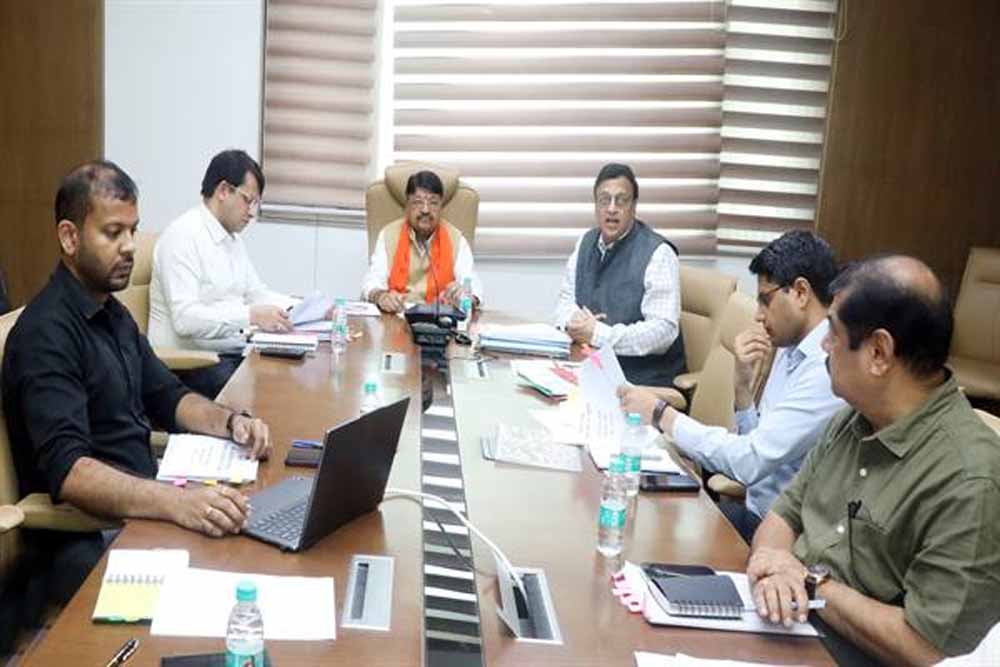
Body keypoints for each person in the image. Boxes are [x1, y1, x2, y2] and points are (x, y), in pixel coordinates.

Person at [1, 160, 273, 618]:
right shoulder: (46, 335)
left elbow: (168, 396)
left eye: (133, 230)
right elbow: (71, 473)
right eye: (113, 233)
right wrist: (178, 504)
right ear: (69, 237)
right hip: (85, 537)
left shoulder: (113, 314)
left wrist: (231, 424)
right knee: (218, 598)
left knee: (248, 552)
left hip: (140, 508)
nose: (130, 246)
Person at [747, 256, 1000, 665]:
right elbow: (781, 517)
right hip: (793, 628)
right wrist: (772, 566)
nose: (824, 345)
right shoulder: (852, 416)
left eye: (833, 332)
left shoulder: (970, 479)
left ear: (879, 353)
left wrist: (810, 582)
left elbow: (930, 648)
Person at [618, 230, 844, 542]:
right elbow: (759, 448)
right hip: (754, 515)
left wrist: (662, 415)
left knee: (650, 535)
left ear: (801, 292)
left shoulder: (826, 369)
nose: (758, 315)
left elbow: (750, 462)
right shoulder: (790, 346)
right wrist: (743, 394)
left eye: (765, 300)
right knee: (643, 520)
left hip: (782, 541)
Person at [149, 149, 296, 397]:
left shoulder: (232, 240)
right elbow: (185, 319)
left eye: (256, 204)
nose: (252, 213)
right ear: (224, 190)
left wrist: (304, 307)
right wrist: (250, 316)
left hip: (226, 355)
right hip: (188, 366)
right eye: (248, 200)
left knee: (286, 372)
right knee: (266, 389)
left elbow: (256, 294)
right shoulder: (182, 236)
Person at [553, 163, 685, 387]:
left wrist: (598, 334)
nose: (612, 209)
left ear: (634, 206)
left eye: (621, 200)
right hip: (591, 369)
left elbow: (663, 331)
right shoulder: (585, 242)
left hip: (640, 381)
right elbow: (566, 299)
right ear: (596, 205)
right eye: (604, 200)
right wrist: (573, 321)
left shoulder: (658, 253)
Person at [362, 170, 483, 313]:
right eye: (418, 202)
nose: (425, 210)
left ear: (441, 207)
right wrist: (381, 296)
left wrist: (466, 296)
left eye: (433, 203)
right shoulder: (388, 235)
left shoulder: (456, 239)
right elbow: (373, 281)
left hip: (439, 318)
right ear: (407, 206)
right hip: (397, 315)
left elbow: (472, 284)